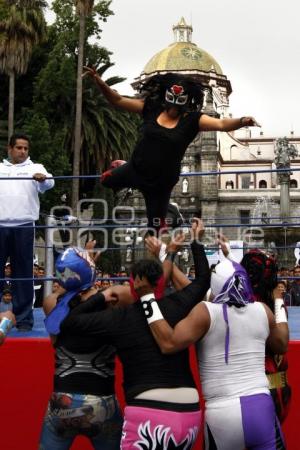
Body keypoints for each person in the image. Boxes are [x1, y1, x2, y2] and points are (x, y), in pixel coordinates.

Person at [59, 220, 210, 449]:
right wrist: (197, 241)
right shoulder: (177, 305)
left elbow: (70, 322)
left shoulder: (118, 319)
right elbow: (202, 281)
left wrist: (101, 295)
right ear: (159, 283)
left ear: (131, 286)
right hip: (189, 414)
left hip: (148, 415)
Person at [83, 68, 260, 232]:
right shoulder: (151, 108)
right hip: (135, 169)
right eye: (171, 104)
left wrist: (243, 120)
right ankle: (124, 166)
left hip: (160, 184)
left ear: (187, 101)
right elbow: (118, 100)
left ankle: (165, 212)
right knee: (105, 180)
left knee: (156, 229)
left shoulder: (193, 120)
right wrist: (99, 81)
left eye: (178, 105)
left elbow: (221, 124)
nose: (173, 109)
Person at [141, 256, 288, 450]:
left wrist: (146, 298)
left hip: (222, 412)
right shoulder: (262, 310)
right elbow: (282, 344)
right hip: (259, 406)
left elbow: (168, 343)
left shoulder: (205, 312)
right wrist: (278, 302)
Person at [40, 247, 123, 450]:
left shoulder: (51, 303)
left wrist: (81, 272)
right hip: (102, 401)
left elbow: (54, 342)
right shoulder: (112, 300)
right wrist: (90, 272)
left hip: (63, 401)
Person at [0, 133, 54, 331]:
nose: (22, 151)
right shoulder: (0, 168)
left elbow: (50, 183)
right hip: (0, 225)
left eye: (25, 148)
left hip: (24, 225)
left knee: (22, 273)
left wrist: (42, 180)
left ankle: (23, 320)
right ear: (10, 149)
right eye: (19, 148)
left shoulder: (35, 168)